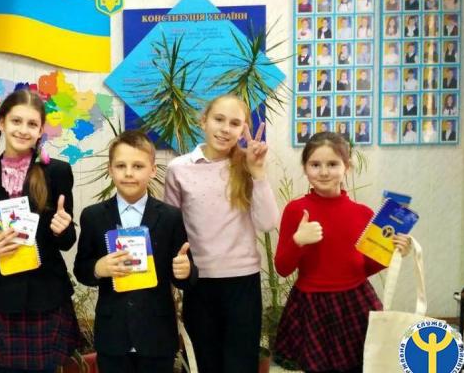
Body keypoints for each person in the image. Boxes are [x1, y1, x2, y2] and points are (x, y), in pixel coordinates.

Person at [273, 132, 412, 372]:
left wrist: (395, 252)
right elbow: (282, 269)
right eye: (315, 164)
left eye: (332, 164)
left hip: (355, 301)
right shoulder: (296, 210)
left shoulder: (363, 213)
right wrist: (298, 241)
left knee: (360, 365)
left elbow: (365, 267)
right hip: (311, 304)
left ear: (346, 167)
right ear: (305, 168)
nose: (324, 172)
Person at [165, 95, 279, 373]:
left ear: (242, 130)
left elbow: (267, 223)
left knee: (241, 363)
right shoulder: (178, 168)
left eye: (235, 123)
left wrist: (258, 172)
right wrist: (174, 281)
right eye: (219, 119)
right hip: (198, 282)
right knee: (205, 362)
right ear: (203, 121)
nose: (226, 129)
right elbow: (171, 229)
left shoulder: (247, 164)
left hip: (243, 282)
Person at [0, 88, 80, 372]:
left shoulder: (57, 172)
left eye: (32, 124)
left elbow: (68, 241)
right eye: (16, 121)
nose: (23, 130)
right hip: (1, 296)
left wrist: (62, 228)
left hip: (47, 295)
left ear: (41, 130)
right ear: (2, 123)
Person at [74, 130, 197, 373]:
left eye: (138, 166)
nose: (129, 173)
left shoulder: (170, 217)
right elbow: (81, 270)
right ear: (110, 170)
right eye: (121, 166)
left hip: (157, 335)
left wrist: (185, 271)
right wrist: (98, 268)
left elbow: (186, 277)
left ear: (152, 170)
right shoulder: (93, 216)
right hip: (113, 335)